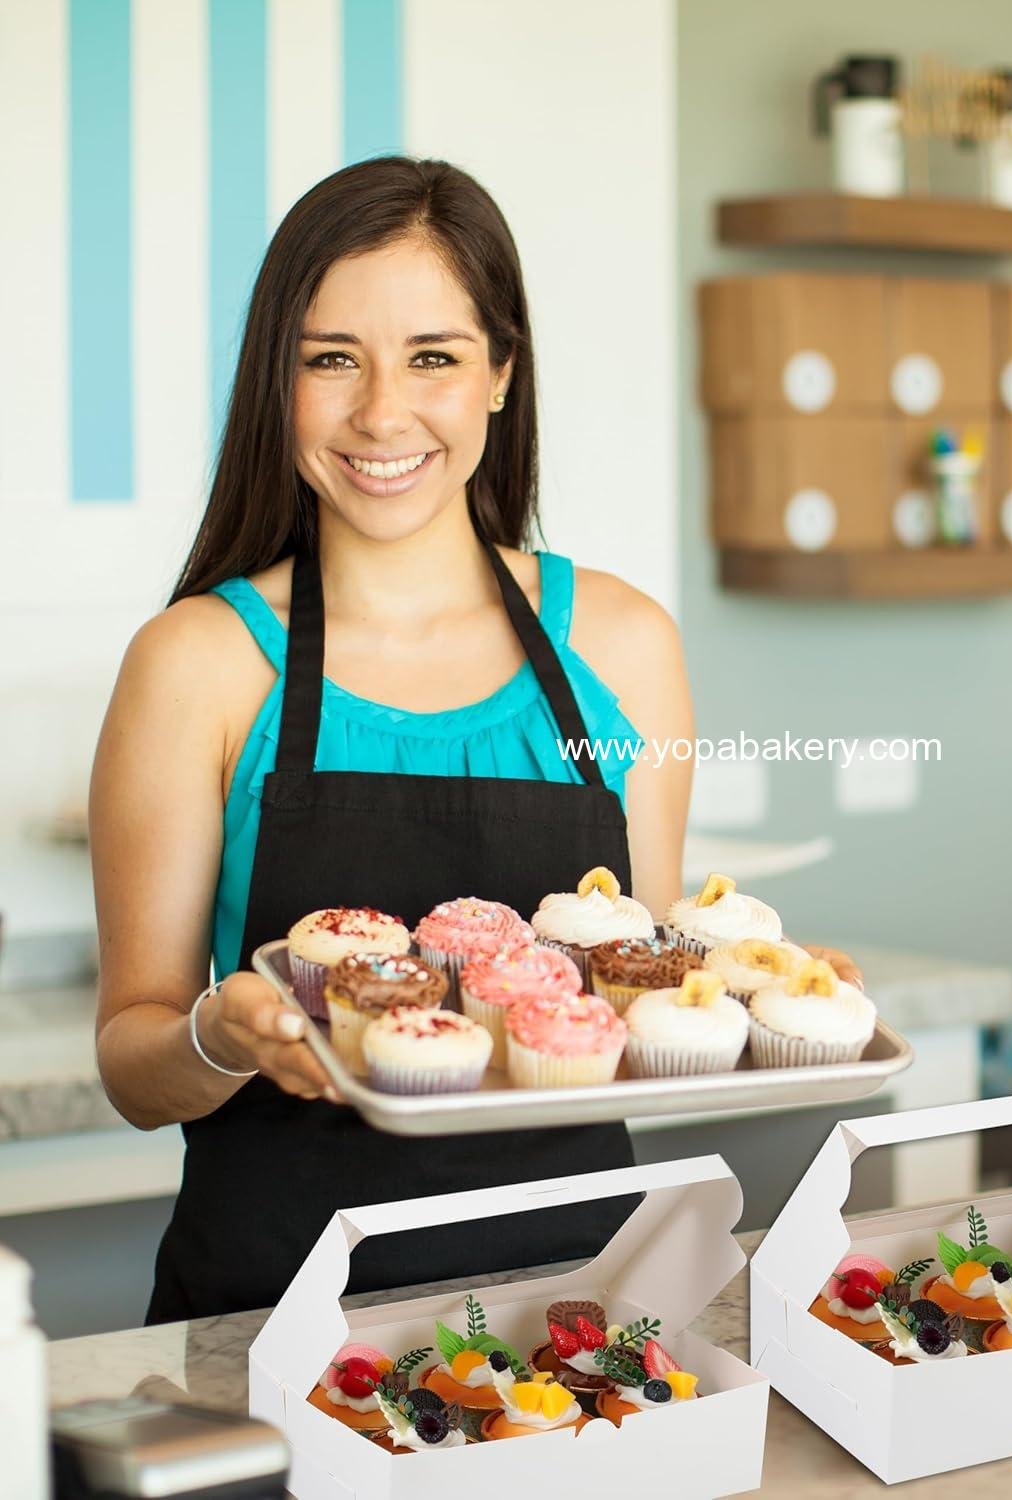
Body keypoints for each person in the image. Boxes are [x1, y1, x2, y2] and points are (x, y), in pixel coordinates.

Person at [88, 156, 701, 1322]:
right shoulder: (195, 663)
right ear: (280, 382)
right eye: (332, 360)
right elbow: (133, 1064)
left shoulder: (625, 647)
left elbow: (641, 995)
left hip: (580, 1314)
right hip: (272, 1315)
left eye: (434, 357)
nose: (382, 412)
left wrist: (748, 988)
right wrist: (220, 1036)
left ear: (501, 375)